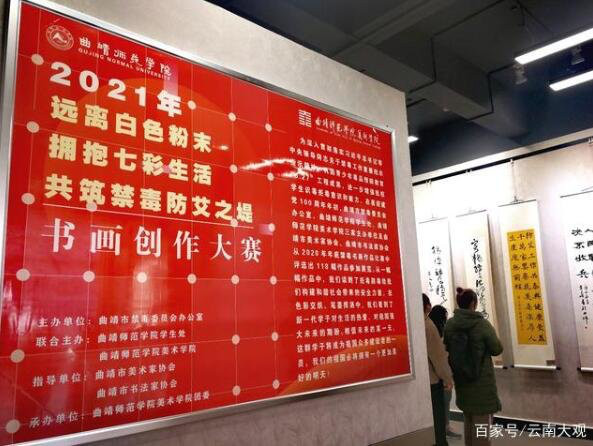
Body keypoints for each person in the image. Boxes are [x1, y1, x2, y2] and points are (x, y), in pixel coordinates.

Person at [444, 287, 503, 446]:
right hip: (481, 385)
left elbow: (446, 347)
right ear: (473, 304)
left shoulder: (450, 325)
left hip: (462, 381)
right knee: (482, 429)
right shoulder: (482, 324)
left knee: (469, 422)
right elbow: (497, 349)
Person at [423, 293, 454, 446]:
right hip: (433, 381)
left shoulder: (411, 324)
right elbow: (438, 357)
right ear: (427, 306)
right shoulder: (428, 326)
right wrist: (448, 379)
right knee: (437, 423)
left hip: (420, 383)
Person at [429, 305, 462, 440]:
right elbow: (440, 358)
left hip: (436, 375)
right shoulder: (436, 332)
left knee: (442, 403)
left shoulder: (430, 329)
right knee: (445, 402)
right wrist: (447, 378)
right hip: (441, 374)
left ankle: (445, 427)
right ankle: (445, 427)